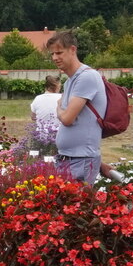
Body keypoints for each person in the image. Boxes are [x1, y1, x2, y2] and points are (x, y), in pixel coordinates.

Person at [45, 31, 108, 184]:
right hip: (69, 158)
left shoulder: (86, 77)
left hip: (81, 160)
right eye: (52, 54)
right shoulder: (70, 81)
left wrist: (59, 108)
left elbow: (67, 118)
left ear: (73, 50)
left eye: (59, 52)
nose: (54, 58)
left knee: (77, 205)